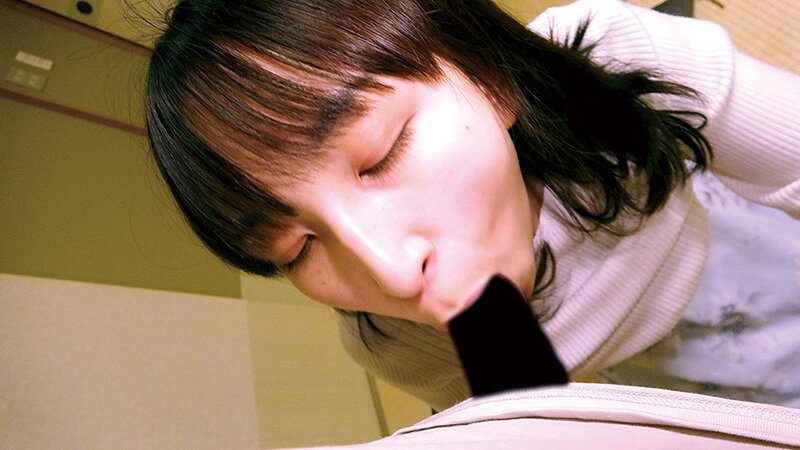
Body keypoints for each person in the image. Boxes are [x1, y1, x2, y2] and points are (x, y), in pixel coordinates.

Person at [144, 0, 800, 412]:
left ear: (487, 79)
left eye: (381, 154)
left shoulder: (611, 56)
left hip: (739, 236)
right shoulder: (395, 345)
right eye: (296, 249)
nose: (391, 273)